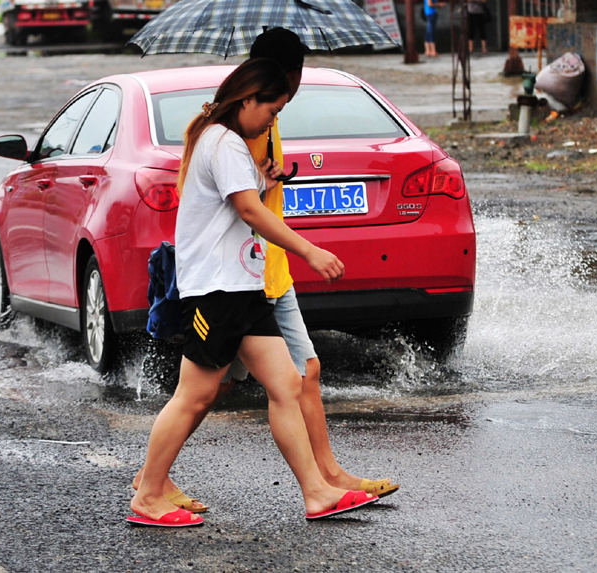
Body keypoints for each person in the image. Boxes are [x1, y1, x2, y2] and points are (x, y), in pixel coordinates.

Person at [131, 27, 399, 517]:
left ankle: (317, 493)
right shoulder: (223, 141)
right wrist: (311, 251)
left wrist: (263, 176)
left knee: (287, 385)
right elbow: (250, 212)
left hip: (245, 286)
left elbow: (236, 198)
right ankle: (148, 492)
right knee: (196, 395)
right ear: (250, 98)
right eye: (272, 110)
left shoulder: (229, 142)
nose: (274, 120)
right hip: (215, 288)